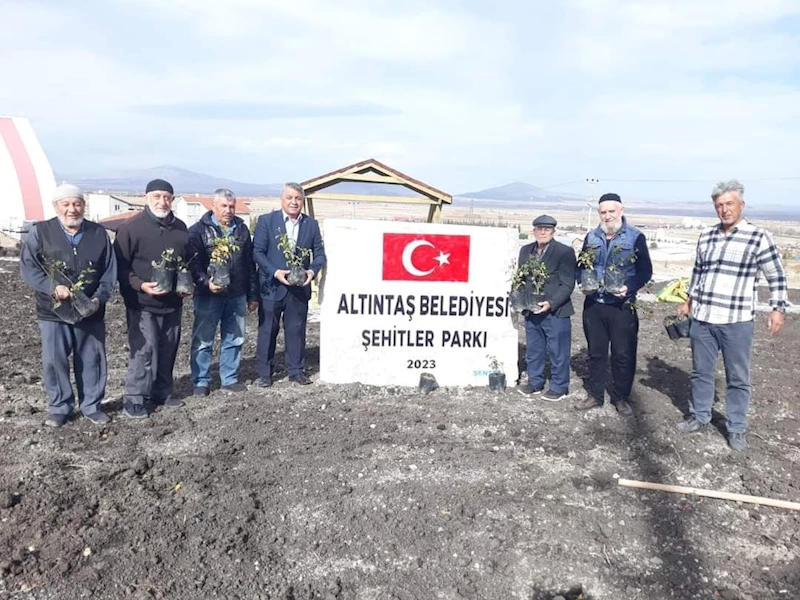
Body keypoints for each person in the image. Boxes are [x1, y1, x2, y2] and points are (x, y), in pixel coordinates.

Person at [676, 179, 787, 451]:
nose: (724, 210)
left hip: (736, 322)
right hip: (703, 319)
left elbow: (776, 275)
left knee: (738, 378)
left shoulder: (758, 237)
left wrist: (777, 309)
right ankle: (700, 415)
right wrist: (689, 301)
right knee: (701, 372)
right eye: (719, 205)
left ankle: (736, 427)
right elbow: (698, 273)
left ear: (741, 205)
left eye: (729, 204)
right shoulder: (707, 236)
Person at [19, 183, 118, 427]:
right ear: (56, 207)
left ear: (84, 206)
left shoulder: (98, 233)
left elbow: (108, 271)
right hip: (53, 311)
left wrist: (98, 298)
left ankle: (92, 406)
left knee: (92, 358)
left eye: (77, 203)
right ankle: (60, 407)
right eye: (66, 204)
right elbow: (29, 268)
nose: (72, 209)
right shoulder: (40, 232)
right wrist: (52, 287)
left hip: (90, 310)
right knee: (54, 360)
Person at [113, 179, 191, 419]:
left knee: (169, 348)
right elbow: (120, 267)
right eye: (157, 196)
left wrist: (184, 285)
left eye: (167, 197)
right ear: (147, 197)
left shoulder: (180, 228)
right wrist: (140, 285)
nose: (162, 201)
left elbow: (185, 262)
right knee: (144, 350)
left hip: (172, 302)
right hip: (142, 303)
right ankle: (135, 398)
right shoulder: (131, 228)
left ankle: (162, 391)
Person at [575, 193, 653, 416]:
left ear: (621, 210)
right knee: (596, 353)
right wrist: (582, 281)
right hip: (594, 304)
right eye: (603, 212)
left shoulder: (635, 237)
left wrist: (629, 287)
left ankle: (621, 397)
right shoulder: (592, 237)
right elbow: (581, 265)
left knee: (623, 353)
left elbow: (645, 271)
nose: (607, 216)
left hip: (621, 306)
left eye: (611, 211)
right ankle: (596, 395)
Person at [253, 182, 326, 386]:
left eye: (298, 198)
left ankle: (296, 370)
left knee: (296, 330)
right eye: (290, 197)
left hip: (298, 289)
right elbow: (258, 252)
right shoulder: (267, 221)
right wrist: (275, 272)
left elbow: (319, 254)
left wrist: (312, 271)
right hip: (271, 287)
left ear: (302, 201)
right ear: (281, 200)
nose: (294, 202)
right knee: (268, 330)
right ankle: (265, 374)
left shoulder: (311, 225)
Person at [187, 188, 259, 396]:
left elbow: (249, 265)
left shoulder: (242, 230)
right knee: (203, 339)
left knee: (235, 338)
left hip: (236, 294)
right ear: (214, 206)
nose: (228, 210)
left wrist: (252, 295)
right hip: (208, 295)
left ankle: (229, 378)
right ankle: (201, 380)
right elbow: (193, 265)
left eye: (231, 206)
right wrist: (205, 283)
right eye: (224, 206)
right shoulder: (198, 231)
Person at [516, 215, 577, 401]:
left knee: (558, 350)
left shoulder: (564, 252)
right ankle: (535, 382)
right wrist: (519, 300)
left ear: (553, 231)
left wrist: (551, 303)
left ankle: (559, 387)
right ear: (533, 231)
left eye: (547, 229)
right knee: (534, 348)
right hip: (532, 309)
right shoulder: (525, 250)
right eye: (539, 228)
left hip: (556, 311)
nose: (542, 232)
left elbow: (568, 283)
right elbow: (521, 278)